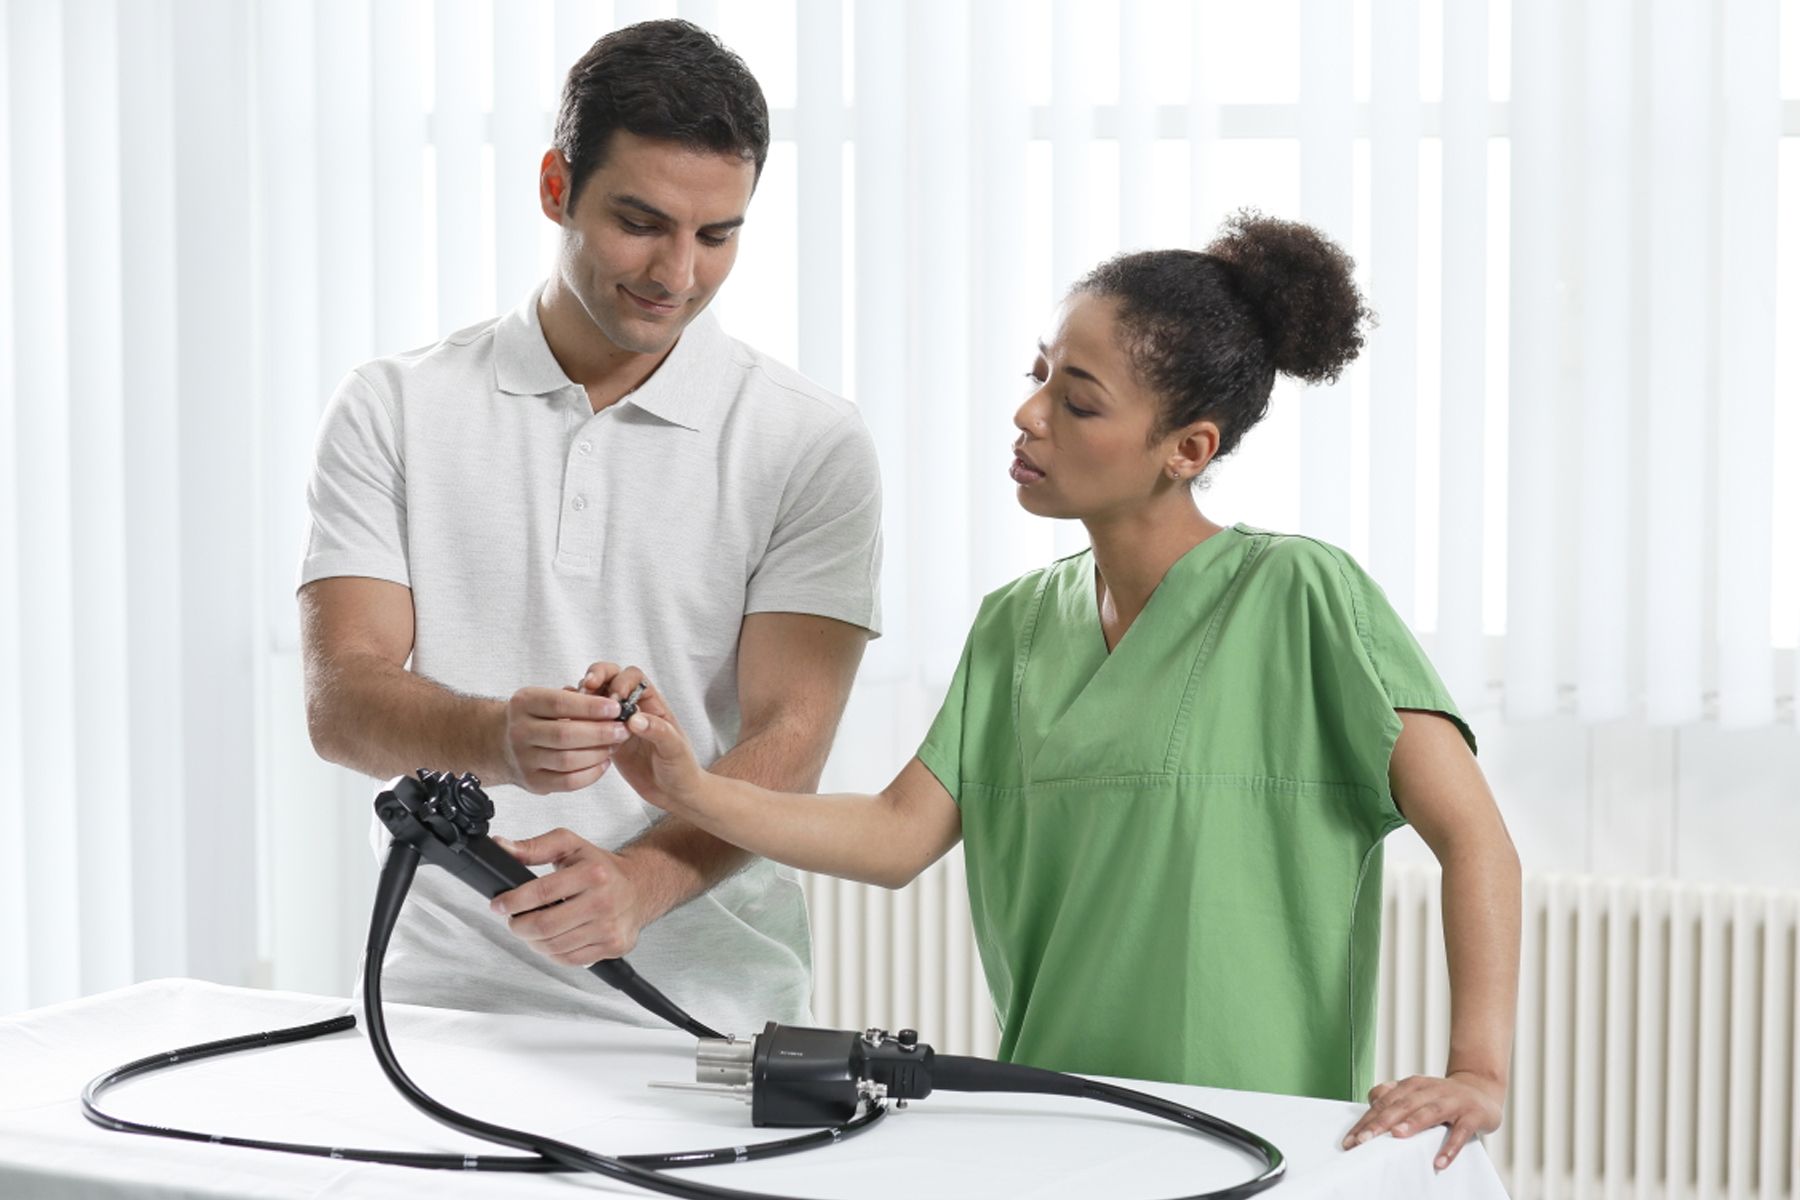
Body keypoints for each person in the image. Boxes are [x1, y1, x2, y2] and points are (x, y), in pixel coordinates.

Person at [566, 213, 1522, 1170]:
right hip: (1058, 1126)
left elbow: (1473, 836)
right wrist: (690, 788)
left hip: (1259, 1139)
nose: (1030, 415)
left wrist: (1477, 1069)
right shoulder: (1016, 625)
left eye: (1080, 403)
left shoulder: (1304, 598)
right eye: (1038, 375)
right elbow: (895, 836)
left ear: (1188, 449)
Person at [298, 19, 882, 1035]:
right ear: (555, 187)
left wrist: (642, 883)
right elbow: (341, 701)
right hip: (441, 1011)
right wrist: (494, 736)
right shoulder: (393, 407)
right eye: (641, 222)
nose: (678, 273)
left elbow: (790, 740)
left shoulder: (810, 441)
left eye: (717, 235)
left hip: (708, 1013)